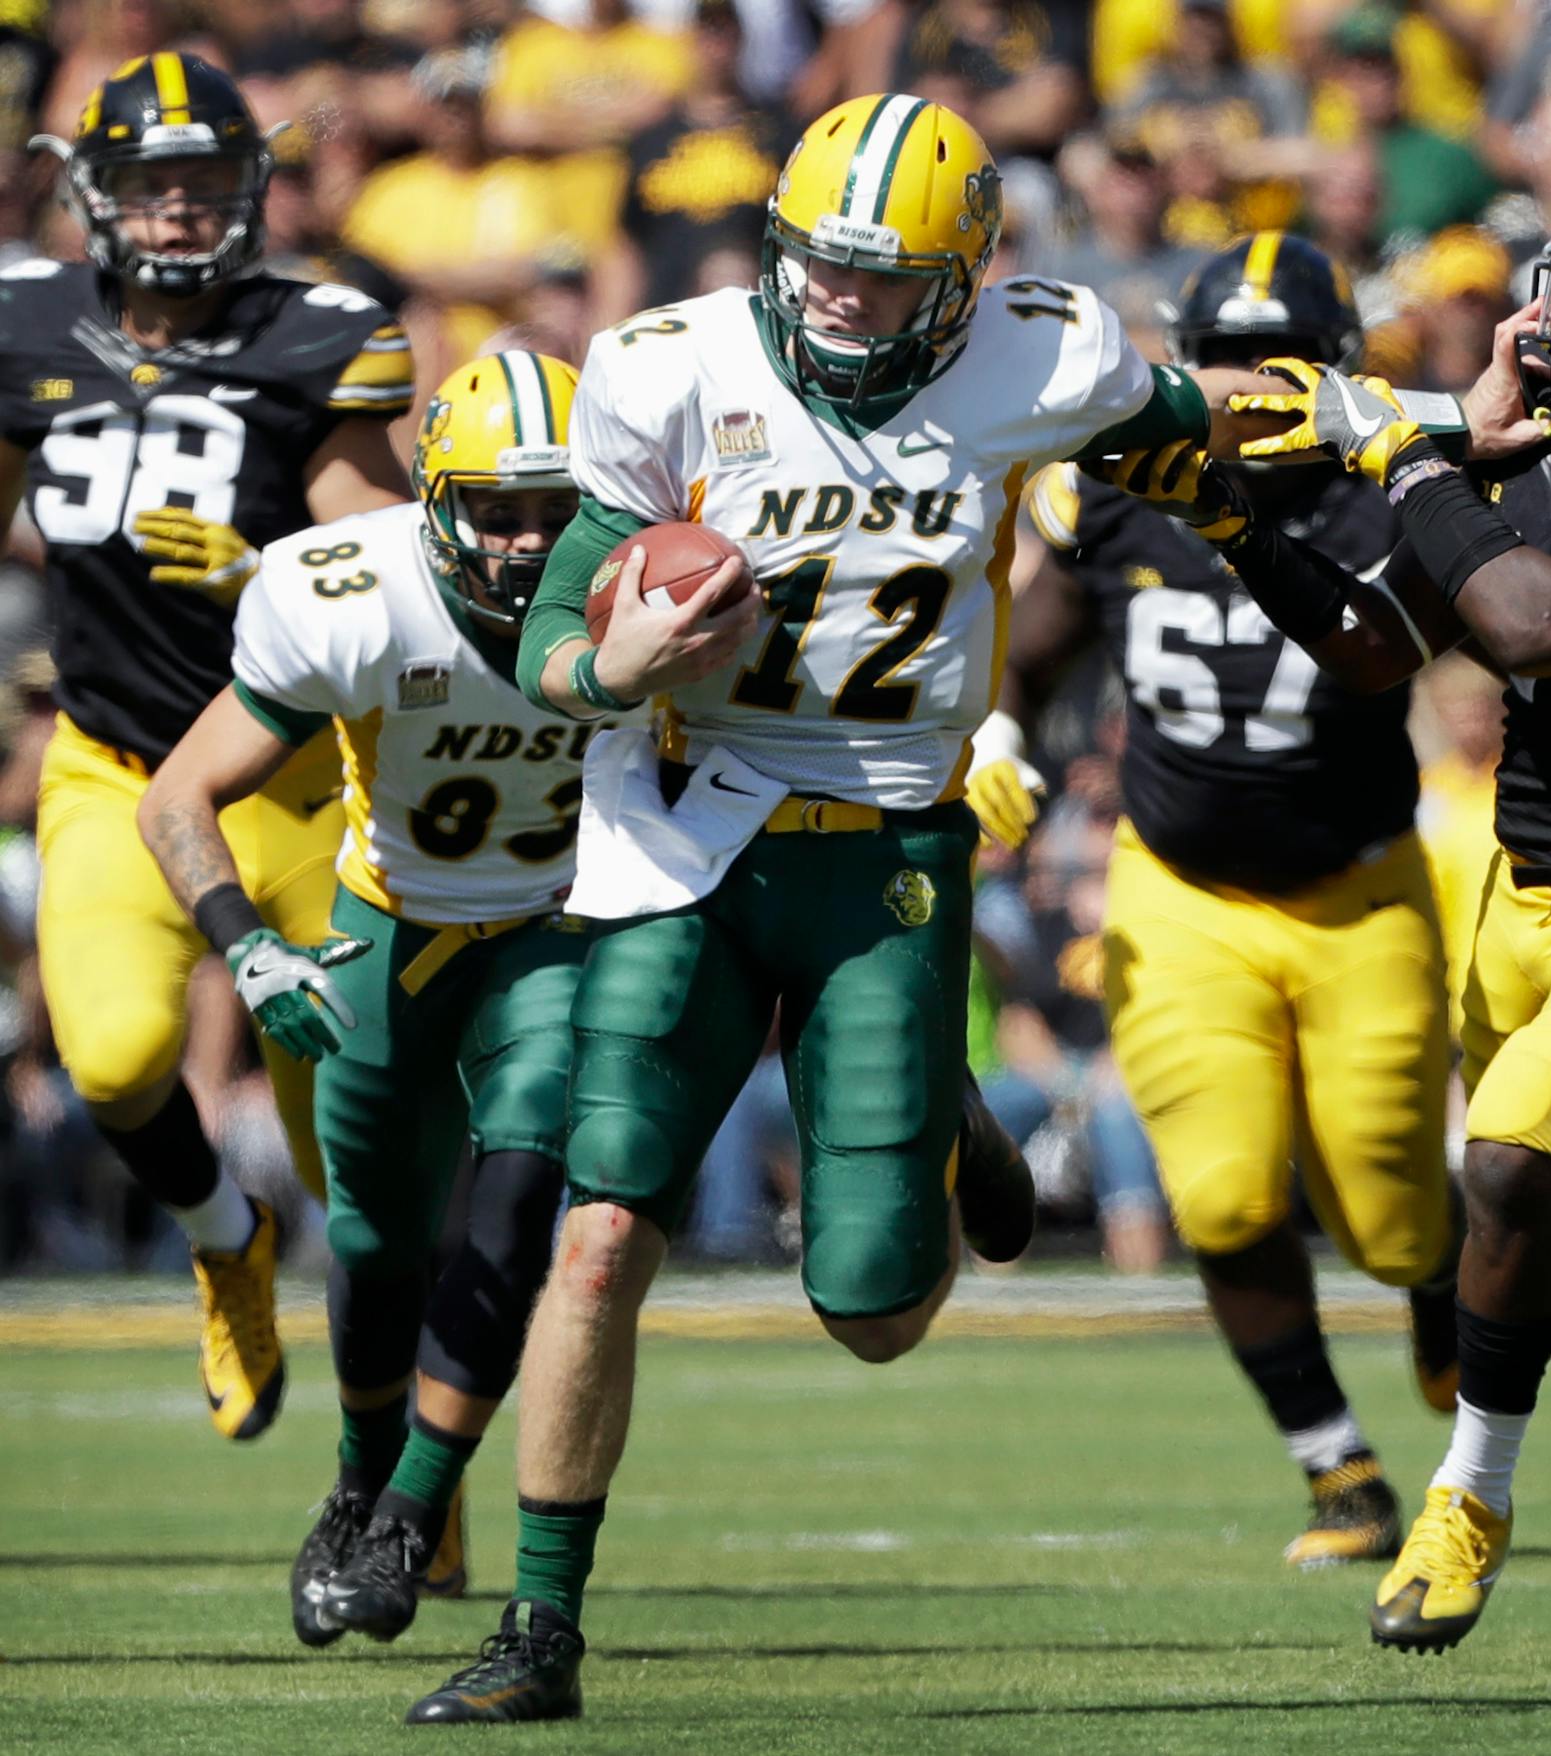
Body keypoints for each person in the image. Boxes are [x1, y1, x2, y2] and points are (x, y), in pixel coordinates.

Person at [406, 92, 1270, 1724]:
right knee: (597, 1240)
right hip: (685, 834)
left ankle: (935, 1119)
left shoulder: (1043, 351)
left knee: (874, 1310)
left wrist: (1421, 418)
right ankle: (539, 1633)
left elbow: (1206, 415)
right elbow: (546, 637)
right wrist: (612, 668)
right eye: (817, 260)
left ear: (963, 275)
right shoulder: (671, 365)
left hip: (889, 843)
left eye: (880, 273)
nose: (836, 296)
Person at [1100, 152, 1551, 1675]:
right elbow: (1380, 652)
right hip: (1529, 887)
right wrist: (1241, 526)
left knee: (1501, 1163)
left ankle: (1467, 1503)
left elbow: (1530, 623)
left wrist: (1410, 447)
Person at [972, 232, 1458, 1569]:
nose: (1247, 386)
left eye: (1277, 360)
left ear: (1339, 371)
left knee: (1392, 1215)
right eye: (1226, 359)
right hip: (1181, 891)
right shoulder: (1117, 492)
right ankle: (1337, 1469)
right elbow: (1020, 640)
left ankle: (1433, 1278)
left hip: (1360, 890)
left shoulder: (1388, 497)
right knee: (1229, 1198)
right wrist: (1000, 735)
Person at [139, 349, 598, 1647]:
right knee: (379, 1246)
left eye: (558, 511)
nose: (526, 545)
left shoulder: (654, 587)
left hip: (561, 931)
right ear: (432, 500)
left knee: (515, 1209)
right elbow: (177, 796)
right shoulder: (348, 593)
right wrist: (243, 944)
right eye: (498, 512)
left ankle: (411, 1508)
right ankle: (358, 1481)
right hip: (387, 930)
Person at [0, 53, 412, 1440]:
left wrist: (266, 577)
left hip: (292, 785)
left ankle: (413, 1488)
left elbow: (393, 564)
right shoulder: (28, 325)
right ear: (95, 195)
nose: (178, 211)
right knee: (112, 1061)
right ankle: (222, 1239)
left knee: (352, 1171)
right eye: (150, 185)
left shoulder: (317, 334)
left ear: (251, 186)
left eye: (204, 182)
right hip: (112, 764)